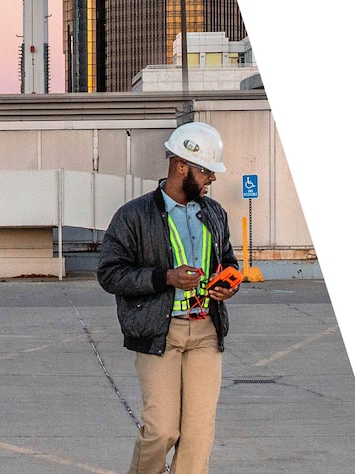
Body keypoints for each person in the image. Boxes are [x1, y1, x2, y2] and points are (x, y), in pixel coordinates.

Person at [97, 121, 241, 474]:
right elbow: (110, 273)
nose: (212, 179)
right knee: (162, 430)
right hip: (159, 332)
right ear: (181, 166)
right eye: (206, 171)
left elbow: (229, 260)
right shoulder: (134, 216)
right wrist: (166, 278)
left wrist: (229, 284)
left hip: (206, 331)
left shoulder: (214, 213)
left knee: (198, 435)